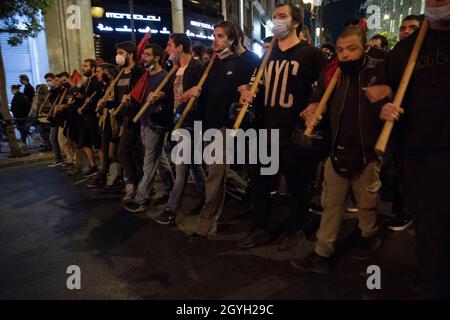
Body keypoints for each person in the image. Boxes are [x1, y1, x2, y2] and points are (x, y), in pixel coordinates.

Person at [290, 25, 389, 274]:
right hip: (336, 150)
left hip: (368, 152)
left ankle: (369, 234)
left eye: (351, 49)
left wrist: (388, 94)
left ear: (365, 48)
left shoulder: (380, 70)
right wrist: (313, 107)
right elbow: (318, 96)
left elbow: (398, 95)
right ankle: (322, 253)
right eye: (340, 50)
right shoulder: (332, 72)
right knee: (331, 206)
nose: (344, 55)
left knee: (366, 203)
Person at [238, 3, 328, 250]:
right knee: (261, 184)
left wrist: (315, 105)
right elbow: (258, 84)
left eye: (282, 16)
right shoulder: (269, 53)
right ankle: (260, 228)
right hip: (267, 131)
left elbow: (327, 86)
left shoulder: (311, 54)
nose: (277, 20)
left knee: (298, 186)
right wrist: (247, 91)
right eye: (275, 16)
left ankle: (296, 228)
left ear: (296, 22)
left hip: (295, 132)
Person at [379, 0, 450, 299]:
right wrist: (384, 105)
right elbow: (387, 88)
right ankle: (432, 281)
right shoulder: (405, 50)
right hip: (416, 153)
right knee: (426, 225)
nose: (437, 2)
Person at [188, 21, 255, 241]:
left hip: (226, 127)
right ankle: (250, 194)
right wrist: (195, 93)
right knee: (217, 172)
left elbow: (250, 91)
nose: (215, 39)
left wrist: (247, 90)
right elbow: (205, 94)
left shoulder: (242, 64)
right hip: (207, 125)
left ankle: (205, 226)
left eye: (220, 36)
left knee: (215, 176)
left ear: (231, 40)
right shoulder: (211, 64)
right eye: (213, 35)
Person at [155, 33, 206, 224]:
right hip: (176, 123)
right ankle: (206, 198)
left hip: (190, 123)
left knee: (181, 167)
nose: (167, 49)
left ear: (180, 47)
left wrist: (194, 94)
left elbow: (203, 94)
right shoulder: (173, 70)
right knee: (194, 165)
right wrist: (159, 95)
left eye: (169, 45)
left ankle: (171, 208)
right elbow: (171, 97)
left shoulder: (197, 67)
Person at [123, 44, 172, 213]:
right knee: (160, 159)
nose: (144, 57)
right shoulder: (145, 76)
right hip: (143, 121)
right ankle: (171, 188)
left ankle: (141, 199)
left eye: (148, 55)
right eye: (143, 54)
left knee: (149, 162)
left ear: (157, 58)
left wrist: (160, 95)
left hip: (156, 122)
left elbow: (170, 96)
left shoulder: (165, 76)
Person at [104, 41, 145, 202]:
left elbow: (141, 96)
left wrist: (131, 102)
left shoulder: (139, 73)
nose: (118, 56)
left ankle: (133, 183)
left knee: (123, 151)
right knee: (135, 153)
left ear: (130, 54)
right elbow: (117, 101)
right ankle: (140, 182)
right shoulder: (120, 73)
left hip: (135, 118)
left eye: (121, 52)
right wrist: (106, 103)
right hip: (122, 119)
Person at [77, 58, 103, 177]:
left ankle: (103, 168)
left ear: (92, 68)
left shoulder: (95, 81)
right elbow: (82, 94)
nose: (83, 68)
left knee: (97, 144)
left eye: (86, 66)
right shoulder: (86, 81)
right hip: (85, 117)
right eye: (83, 66)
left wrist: (90, 103)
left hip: (93, 116)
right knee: (84, 142)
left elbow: (97, 97)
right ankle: (93, 166)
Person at [45, 73, 64, 167]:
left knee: (56, 139)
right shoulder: (52, 91)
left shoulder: (59, 90)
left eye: (50, 80)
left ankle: (59, 158)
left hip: (58, 117)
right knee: (53, 138)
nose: (49, 82)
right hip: (54, 117)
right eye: (47, 81)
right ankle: (58, 158)